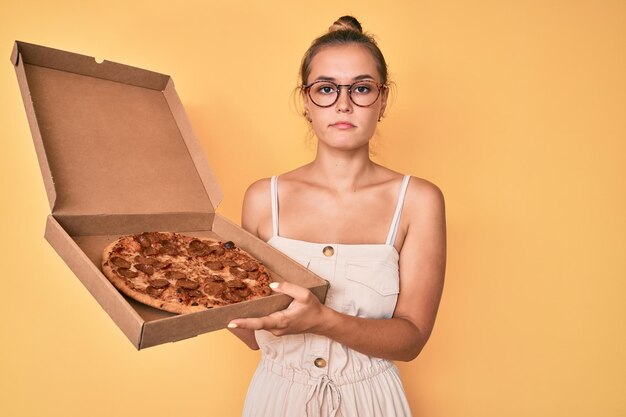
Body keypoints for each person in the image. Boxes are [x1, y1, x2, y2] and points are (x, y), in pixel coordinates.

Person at [227, 15, 446, 417]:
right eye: (326, 88)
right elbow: (250, 331)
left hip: (373, 402)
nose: (343, 103)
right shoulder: (263, 198)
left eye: (361, 88)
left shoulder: (418, 200)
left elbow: (412, 339)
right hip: (278, 399)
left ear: (382, 101)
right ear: (306, 101)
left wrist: (322, 320)